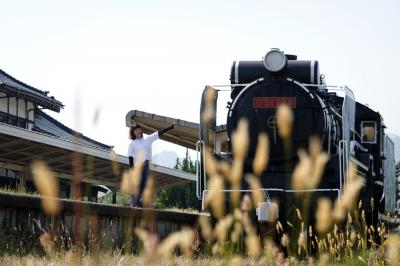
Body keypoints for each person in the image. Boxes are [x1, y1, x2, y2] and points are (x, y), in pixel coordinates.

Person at [127, 123, 174, 207]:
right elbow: (130, 158)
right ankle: (133, 207)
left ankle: (144, 207)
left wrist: (169, 127)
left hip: (145, 166)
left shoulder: (147, 139)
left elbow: (158, 133)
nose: (138, 131)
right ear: (133, 132)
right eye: (136, 130)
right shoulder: (132, 143)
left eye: (139, 129)